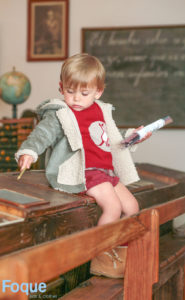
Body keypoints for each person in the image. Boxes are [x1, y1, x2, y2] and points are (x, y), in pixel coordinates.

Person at [15, 53, 151, 278]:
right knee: (113, 208)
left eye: (84, 93)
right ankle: (102, 255)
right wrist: (29, 152)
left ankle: (119, 250)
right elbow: (42, 134)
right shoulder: (61, 114)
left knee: (133, 207)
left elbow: (112, 141)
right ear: (61, 88)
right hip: (84, 172)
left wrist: (132, 136)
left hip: (105, 172)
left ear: (98, 92)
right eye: (70, 91)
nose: (76, 98)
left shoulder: (102, 110)